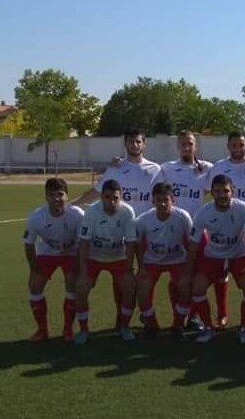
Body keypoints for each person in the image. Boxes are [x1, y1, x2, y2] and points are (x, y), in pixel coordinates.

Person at [72, 129, 160, 326]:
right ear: (125, 144)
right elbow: (97, 192)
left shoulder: (155, 169)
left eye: (138, 142)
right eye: (131, 141)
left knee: (145, 277)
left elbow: (164, 197)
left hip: (144, 233)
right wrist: (73, 204)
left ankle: (147, 315)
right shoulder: (116, 168)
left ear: (144, 144)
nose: (135, 145)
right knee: (121, 280)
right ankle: (122, 320)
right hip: (120, 233)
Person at [177, 174, 245, 344]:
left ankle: (244, 328)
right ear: (212, 193)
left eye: (226, 191)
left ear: (233, 191)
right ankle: (208, 327)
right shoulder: (204, 212)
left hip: (238, 255)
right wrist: (189, 271)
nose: (222, 195)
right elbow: (193, 243)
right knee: (197, 288)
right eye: (217, 191)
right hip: (213, 256)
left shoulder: (243, 209)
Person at [152, 130, 212, 330]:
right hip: (172, 229)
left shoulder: (207, 169)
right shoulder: (166, 169)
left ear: (196, 146)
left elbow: (228, 177)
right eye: (183, 144)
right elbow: (150, 187)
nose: (187, 147)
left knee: (195, 276)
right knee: (176, 277)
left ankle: (193, 316)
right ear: (178, 147)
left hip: (196, 231)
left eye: (190, 144)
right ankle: (178, 314)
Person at [204, 132, 245, 329]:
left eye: (241, 145)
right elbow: (205, 187)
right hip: (221, 226)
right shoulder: (218, 167)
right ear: (228, 146)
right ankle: (222, 314)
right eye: (234, 145)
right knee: (221, 273)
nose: (238, 149)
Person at [74, 179, 137, 344]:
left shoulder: (127, 212)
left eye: (116, 198)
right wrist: (82, 272)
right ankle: (83, 329)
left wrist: (129, 270)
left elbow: (131, 243)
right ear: (101, 197)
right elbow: (84, 242)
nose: (112, 201)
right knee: (81, 287)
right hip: (94, 257)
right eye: (108, 197)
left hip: (118, 257)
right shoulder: (92, 212)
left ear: (121, 197)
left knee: (130, 288)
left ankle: (124, 327)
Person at [22, 178, 84, 342]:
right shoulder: (36, 217)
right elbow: (28, 244)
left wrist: (78, 267)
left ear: (67, 196)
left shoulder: (77, 215)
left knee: (72, 282)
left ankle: (68, 328)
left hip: (71, 252)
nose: (56, 199)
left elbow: (82, 244)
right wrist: (34, 269)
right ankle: (42, 330)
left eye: (60, 194)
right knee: (34, 285)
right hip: (47, 252)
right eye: (51, 195)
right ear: (46, 197)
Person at [134, 182, 194, 338]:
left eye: (165, 200)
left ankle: (178, 324)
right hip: (152, 261)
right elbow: (138, 244)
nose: (162, 203)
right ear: (152, 201)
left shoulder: (183, 217)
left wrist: (189, 269)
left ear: (172, 200)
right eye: (158, 199)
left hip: (177, 260)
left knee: (186, 286)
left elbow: (191, 243)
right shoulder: (143, 220)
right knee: (142, 289)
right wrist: (141, 267)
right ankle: (151, 325)